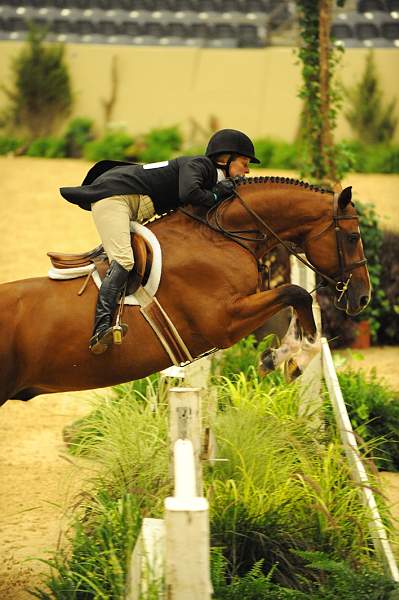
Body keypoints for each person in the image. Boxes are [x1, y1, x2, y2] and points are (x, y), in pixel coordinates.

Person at [60, 128, 260, 355]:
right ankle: (101, 328)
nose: (247, 169)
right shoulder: (199, 165)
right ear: (226, 158)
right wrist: (216, 194)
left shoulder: (211, 174)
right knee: (124, 261)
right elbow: (189, 194)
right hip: (115, 197)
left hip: (131, 205)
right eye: (244, 162)